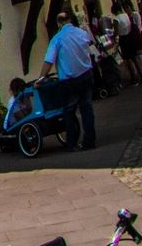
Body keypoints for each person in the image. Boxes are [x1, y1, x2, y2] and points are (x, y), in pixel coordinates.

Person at [38, 9, 97, 151]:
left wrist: (41, 78)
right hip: (86, 75)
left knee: (69, 112)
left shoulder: (57, 39)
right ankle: (90, 141)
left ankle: (71, 143)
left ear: (59, 23)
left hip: (70, 82)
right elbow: (91, 47)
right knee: (87, 109)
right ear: (70, 20)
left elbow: (48, 61)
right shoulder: (82, 33)